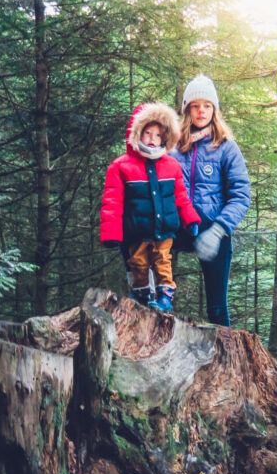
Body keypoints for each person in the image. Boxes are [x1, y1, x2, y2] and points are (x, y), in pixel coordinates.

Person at [100, 102, 200, 312]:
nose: (152, 140)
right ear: (136, 133)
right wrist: (111, 233)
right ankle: (143, 293)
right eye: (147, 133)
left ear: (165, 137)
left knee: (163, 261)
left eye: (157, 135)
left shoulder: (171, 165)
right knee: (138, 262)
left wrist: (190, 219)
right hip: (136, 230)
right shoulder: (121, 166)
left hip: (164, 229)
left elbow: (181, 197)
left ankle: (165, 296)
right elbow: (112, 202)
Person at [171, 74, 251, 326]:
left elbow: (241, 196)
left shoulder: (226, 147)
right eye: (195, 105)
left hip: (213, 228)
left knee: (217, 308)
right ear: (187, 110)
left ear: (214, 109)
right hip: (178, 226)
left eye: (207, 105)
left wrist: (218, 231)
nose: (201, 111)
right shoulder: (173, 146)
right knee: (157, 295)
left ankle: (224, 361)